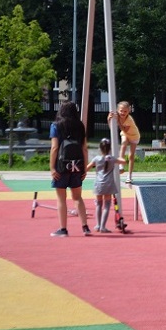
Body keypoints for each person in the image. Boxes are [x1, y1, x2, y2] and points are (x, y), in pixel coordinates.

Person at [49, 101, 92, 237]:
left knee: (61, 199)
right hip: (77, 166)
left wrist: (51, 168)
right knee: (78, 197)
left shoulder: (56, 126)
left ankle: (63, 229)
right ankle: (85, 227)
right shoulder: (80, 126)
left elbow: (55, 148)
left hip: (61, 166)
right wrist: (84, 168)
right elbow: (84, 148)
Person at [86, 138, 125, 233]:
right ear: (110, 148)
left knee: (98, 204)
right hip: (108, 184)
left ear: (100, 148)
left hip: (98, 183)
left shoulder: (96, 159)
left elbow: (87, 168)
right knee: (107, 205)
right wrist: (119, 156)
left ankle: (98, 225)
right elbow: (123, 161)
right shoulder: (112, 159)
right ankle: (103, 226)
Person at [107, 101, 140, 184]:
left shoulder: (129, 119)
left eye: (125, 111)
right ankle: (121, 164)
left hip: (134, 135)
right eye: (121, 111)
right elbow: (111, 128)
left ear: (129, 111)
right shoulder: (117, 115)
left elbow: (124, 129)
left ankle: (129, 176)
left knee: (131, 156)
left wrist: (118, 121)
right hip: (125, 134)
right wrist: (109, 119)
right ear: (118, 110)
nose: (123, 113)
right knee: (124, 143)